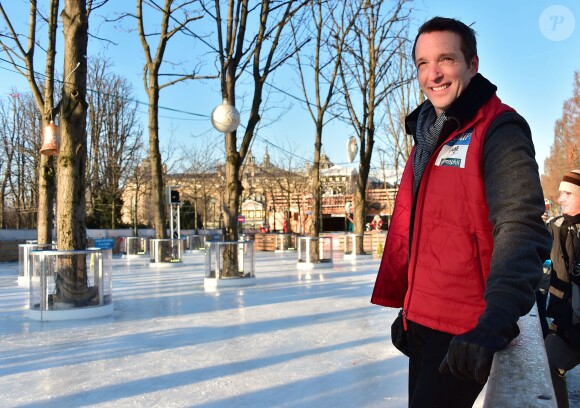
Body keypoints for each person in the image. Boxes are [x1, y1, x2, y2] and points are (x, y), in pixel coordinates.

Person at [370, 16, 551, 407]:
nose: (432, 74)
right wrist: (410, 308)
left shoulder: (499, 129)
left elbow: (521, 228)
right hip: (422, 319)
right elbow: (426, 230)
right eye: (422, 63)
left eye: (446, 60)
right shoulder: (428, 134)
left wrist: (494, 321)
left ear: (473, 64)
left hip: (465, 328)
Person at [544, 170, 580, 408]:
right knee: (546, 363)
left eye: (567, 193)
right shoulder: (555, 227)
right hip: (566, 322)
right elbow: (529, 248)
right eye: (560, 192)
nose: (560, 198)